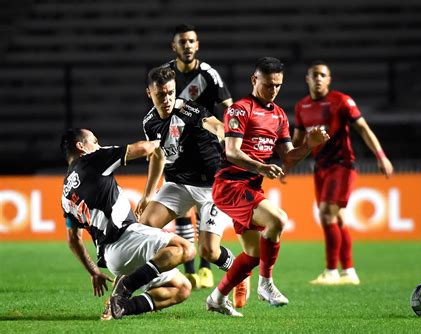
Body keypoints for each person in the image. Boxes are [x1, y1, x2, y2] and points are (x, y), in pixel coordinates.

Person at [206, 57, 330, 317]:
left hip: (251, 186)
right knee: (278, 220)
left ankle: (216, 298)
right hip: (230, 185)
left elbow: (288, 159)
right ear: (254, 80)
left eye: (278, 85)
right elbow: (231, 152)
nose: (273, 90)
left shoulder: (279, 115)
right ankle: (266, 284)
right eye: (268, 84)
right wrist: (262, 167)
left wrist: (309, 144)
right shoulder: (240, 110)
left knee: (252, 254)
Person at [135, 66, 248, 305]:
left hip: (211, 187)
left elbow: (214, 124)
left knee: (209, 252)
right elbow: (157, 156)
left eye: (170, 93)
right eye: (160, 94)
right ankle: (159, 279)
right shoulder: (149, 122)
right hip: (178, 184)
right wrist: (148, 195)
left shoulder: (188, 108)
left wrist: (225, 133)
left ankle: (240, 273)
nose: (166, 99)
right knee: (143, 227)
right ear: (149, 93)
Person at [60, 128, 195, 320]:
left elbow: (73, 240)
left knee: (181, 288)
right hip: (126, 238)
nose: (98, 145)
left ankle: (119, 306)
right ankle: (126, 286)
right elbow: (143, 148)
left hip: (113, 259)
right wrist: (161, 143)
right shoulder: (93, 159)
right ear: (81, 146)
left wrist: (94, 272)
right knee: (185, 249)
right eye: (95, 141)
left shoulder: (65, 194)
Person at [292, 61, 394, 286]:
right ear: (307, 79)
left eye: (323, 75)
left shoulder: (341, 101)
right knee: (336, 218)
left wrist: (381, 156)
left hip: (342, 164)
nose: (318, 78)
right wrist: (286, 165)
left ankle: (331, 271)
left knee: (327, 214)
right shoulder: (301, 107)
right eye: (314, 75)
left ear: (329, 79)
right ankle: (349, 272)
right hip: (320, 167)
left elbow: (364, 129)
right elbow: (297, 142)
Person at [164, 23, 233, 289]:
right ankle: (190, 270)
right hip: (175, 146)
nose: (188, 46)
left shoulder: (209, 74)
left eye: (191, 41)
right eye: (182, 42)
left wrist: (228, 135)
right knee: (181, 210)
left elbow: (229, 107)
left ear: (198, 45)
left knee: (204, 205)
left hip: (206, 149)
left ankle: (205, 268)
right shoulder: (166, 74)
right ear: (174, 46)